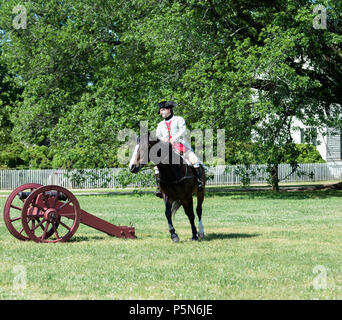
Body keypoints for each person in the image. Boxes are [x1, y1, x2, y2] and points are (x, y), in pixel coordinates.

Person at [154, 100, 204, 198]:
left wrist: (174, 138)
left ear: (169, 110)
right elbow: (157, 136)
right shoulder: (160, 125)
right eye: (161, 110)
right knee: (157, 167)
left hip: (180, 145)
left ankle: (199, 182)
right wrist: (161, 139)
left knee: (194, 160)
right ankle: (159, 187)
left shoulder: (179, 119)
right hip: (167, 149)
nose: (161, 112)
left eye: (163, 110)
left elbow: (183, 130)